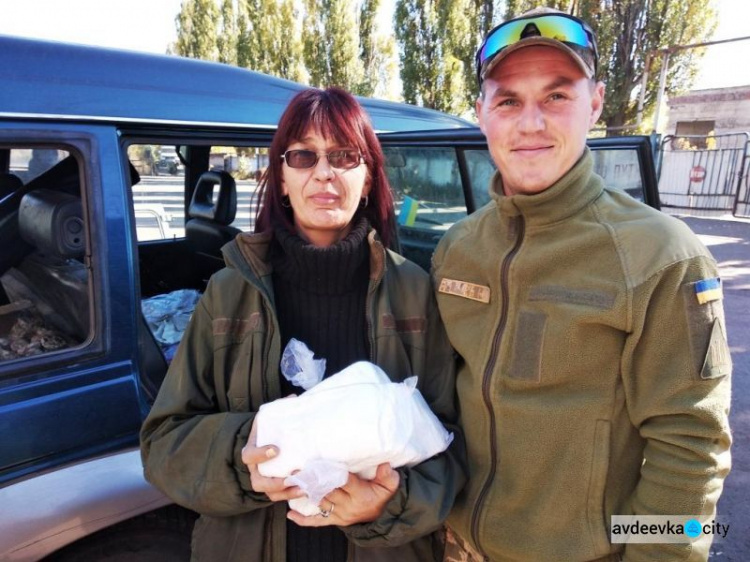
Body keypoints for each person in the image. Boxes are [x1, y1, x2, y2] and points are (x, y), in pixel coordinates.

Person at [432, 8, 732, 562]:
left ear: (593, 104)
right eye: (508, 101)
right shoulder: (458, 248)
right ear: (481, 114)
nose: (530, 123)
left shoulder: (662, 256)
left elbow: (692, 446)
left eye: (556, 96)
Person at [140, 87, 466, 562]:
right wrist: (239, 457)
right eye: (303, 156)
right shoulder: (231, 293)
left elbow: (453, 443)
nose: (324, 172)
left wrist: (391, 501)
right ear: (282, 179)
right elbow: (164, 442)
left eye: (343, 155)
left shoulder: (415, 292)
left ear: (369, 177)